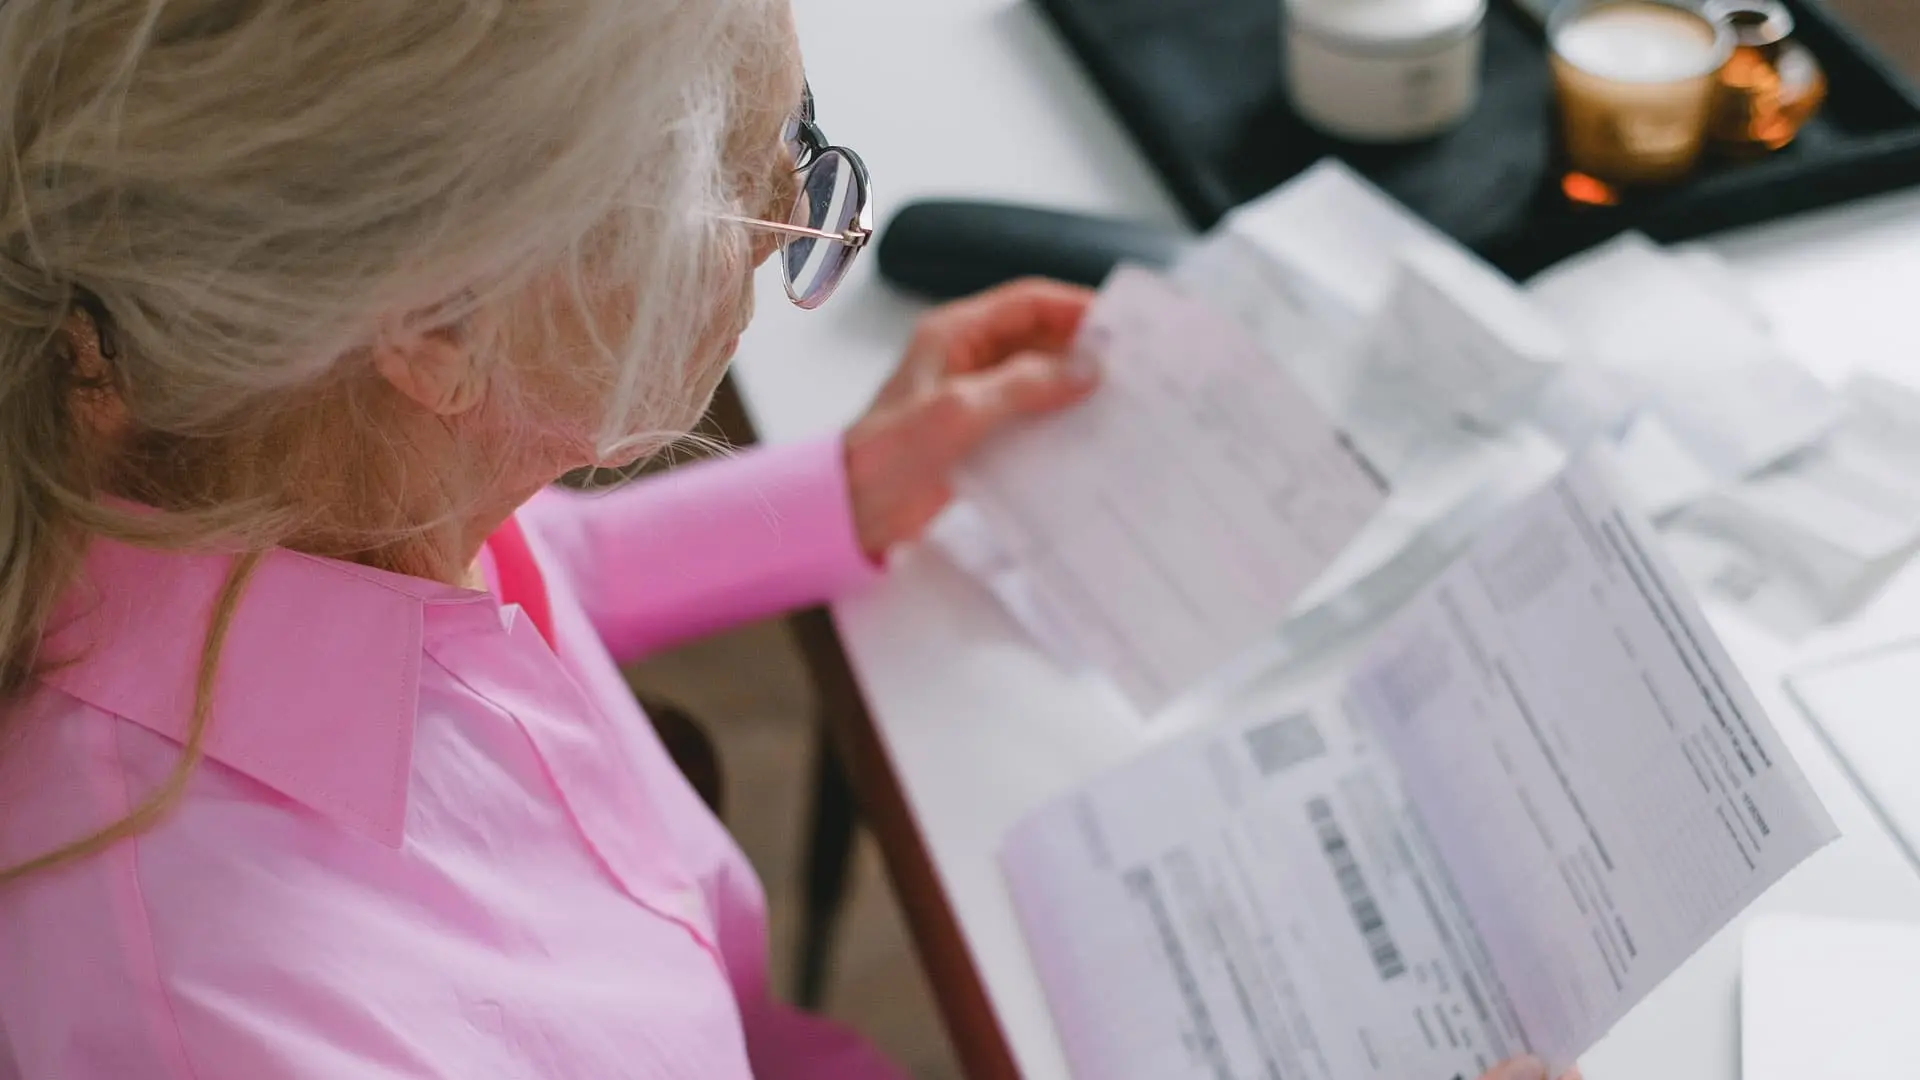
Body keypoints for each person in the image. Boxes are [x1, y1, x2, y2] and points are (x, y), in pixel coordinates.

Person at [0, 2, 1578, 1078]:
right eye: (748, 181)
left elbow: (524, 588)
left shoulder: (258, 458)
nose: (786, 223)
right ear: (436, 324)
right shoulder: (264, 1027)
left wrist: (847, 488)